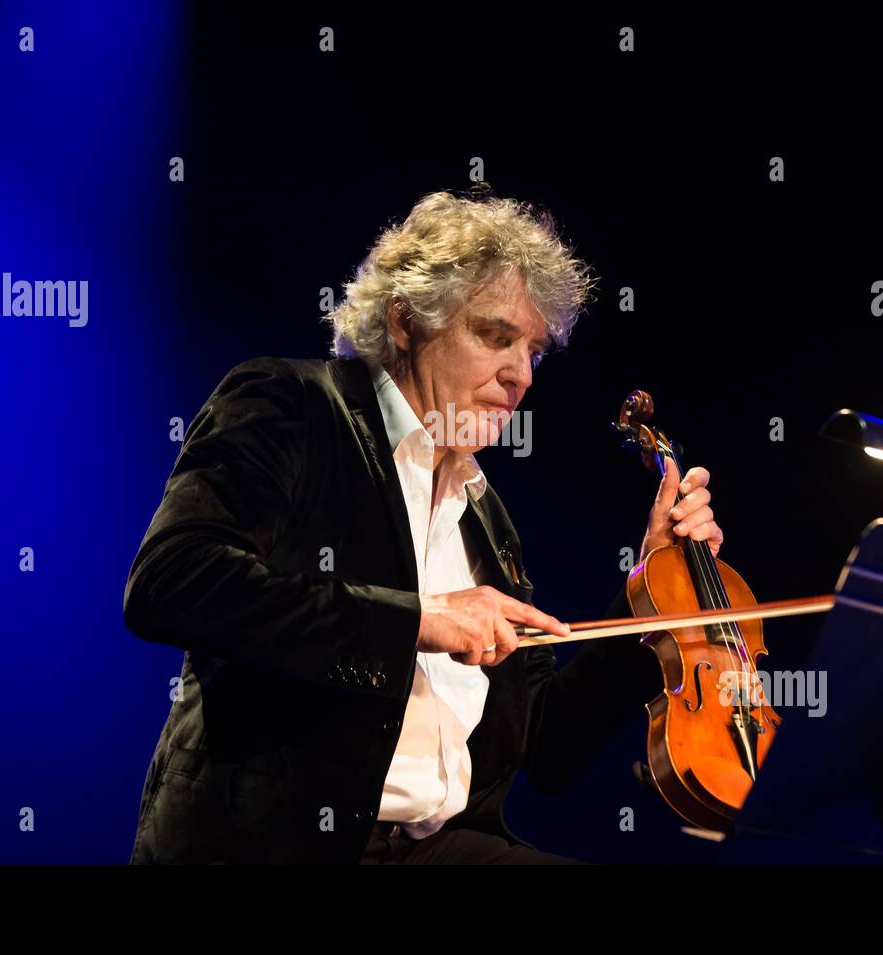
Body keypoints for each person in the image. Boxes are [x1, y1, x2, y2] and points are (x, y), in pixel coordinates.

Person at [123, 189, 724, 863]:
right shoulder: (290, 406)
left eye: (534, 351)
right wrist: (419, 619)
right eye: (495, 336)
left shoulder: (485, 519)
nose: (521, 374)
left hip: (435, 849)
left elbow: (549, 750)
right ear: (405, 321)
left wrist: (653, 590)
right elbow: (173, 581)